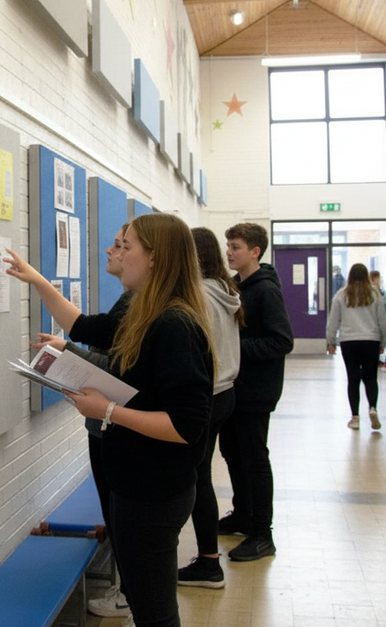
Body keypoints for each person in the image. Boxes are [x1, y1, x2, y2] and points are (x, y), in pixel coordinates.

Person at [5, 213, 214, 627]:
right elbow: (88, 328)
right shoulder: (146, 313)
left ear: (154, 258)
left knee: (154, 612)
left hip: (154, 492)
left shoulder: (175, 325)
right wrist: (38, 281)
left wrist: (109, 411)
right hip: (134, 484)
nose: (115, 251)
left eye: (126, 245)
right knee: (142, 602)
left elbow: (187, 427)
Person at [30, 225, 134, 619]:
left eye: (122, 246)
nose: (110, 250)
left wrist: (71, 354)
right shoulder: (135, 303)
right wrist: (69, 350)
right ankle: (131, 588)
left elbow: (114, 362)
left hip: (113, 427)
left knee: (120, 516)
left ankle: (129, 592)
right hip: (107, 423)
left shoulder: (143, 308)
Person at [217, 223, 293, 562]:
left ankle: (263, 534)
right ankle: (242, 514)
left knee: (254, 460)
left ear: (255, 252)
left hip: (256, 391)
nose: (229, 252)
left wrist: (234, 347)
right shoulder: (237, 285)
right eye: (228, 246)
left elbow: (282, 341)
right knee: (232, 452)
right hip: (236, 386)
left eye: (235, 246)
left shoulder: (264, 290)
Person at [178, 227, 242, 589]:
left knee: (198, 479)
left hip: (210, 393)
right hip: (224, 392)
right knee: (201, 475)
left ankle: (208, 563)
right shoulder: (224, 289)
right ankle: (208, 559)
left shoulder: (199, 293)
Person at [326, 264, 386, 430]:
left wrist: (331, 341)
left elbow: (333, 320)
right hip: (371, 340)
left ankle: (355, 417)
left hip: (349, 341)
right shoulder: (375, 295)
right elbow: (382, 321)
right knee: (370, 377)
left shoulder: (341, 295)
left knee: (353, 378)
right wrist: (383, 342)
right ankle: (373, 408)